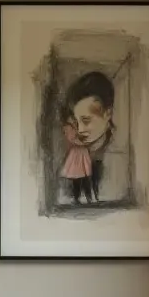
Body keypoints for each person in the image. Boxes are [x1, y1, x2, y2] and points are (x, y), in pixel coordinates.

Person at [60, 71, 115, 204]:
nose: (79, 129)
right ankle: (83, 197)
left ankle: (91, 197)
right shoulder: (80, 140)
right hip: (83, 160)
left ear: (108, 114)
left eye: (86, 120)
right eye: (76, 122)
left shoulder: (114, 143)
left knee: (90, 178)